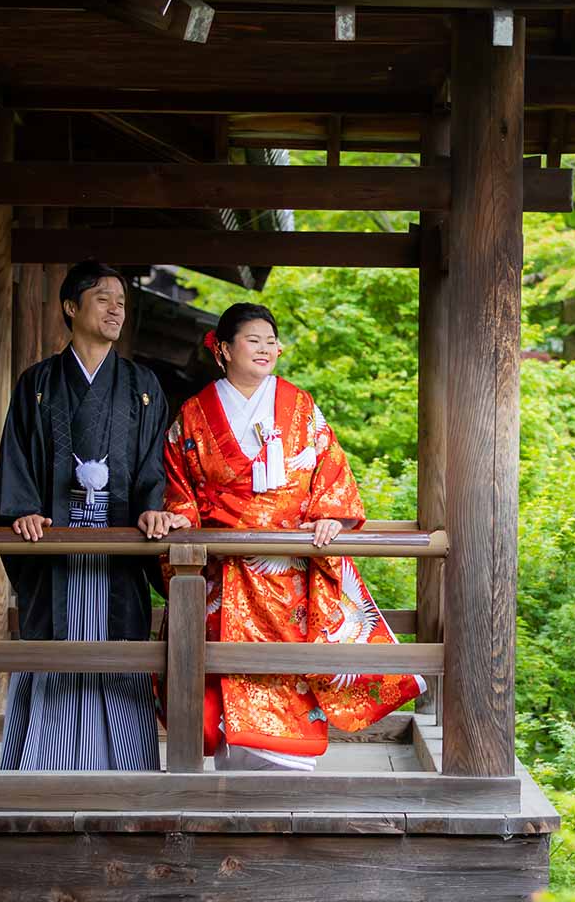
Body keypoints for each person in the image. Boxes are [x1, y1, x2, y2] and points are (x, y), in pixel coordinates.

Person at [161, 302, 424, 771]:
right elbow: (179, 486)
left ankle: (288, 770)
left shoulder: (300, 405)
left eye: (271, 341)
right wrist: (179, 516)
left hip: (289, 570)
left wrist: (331, 516)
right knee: (223, 668)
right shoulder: (195, 413)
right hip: (226, 565)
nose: (266, 349)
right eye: (253, 340)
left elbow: (329, 464)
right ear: (223, 349)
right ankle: (229, 769)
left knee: (290, 670)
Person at [0, 260, 189, 770]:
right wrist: (24, 510)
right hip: (56, 540)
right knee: (55, 643)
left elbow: (153, 465)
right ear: (71, 308)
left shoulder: (143, 385)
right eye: (103, 298)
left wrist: (152, 511)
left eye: (122, 300)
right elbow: (16, 456)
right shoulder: (38, 384)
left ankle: (127, 768)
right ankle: (43, 765)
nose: (117, 309)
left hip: (120, 543)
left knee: (119, 644)